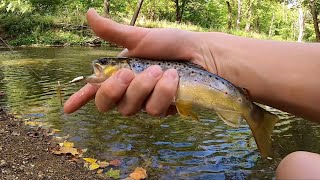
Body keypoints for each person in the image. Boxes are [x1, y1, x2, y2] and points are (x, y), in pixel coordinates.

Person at [64, 8, 320, 179]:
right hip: (217, 85)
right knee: (297, 166)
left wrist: (204, 52)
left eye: (107, 64)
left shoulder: (138, 68)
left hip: (223, 91)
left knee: (296, 167)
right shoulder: (136, 69)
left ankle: (257, 118)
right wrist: (203, 51)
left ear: (125, 67)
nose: (101, 68)